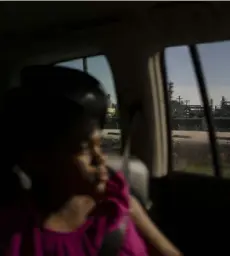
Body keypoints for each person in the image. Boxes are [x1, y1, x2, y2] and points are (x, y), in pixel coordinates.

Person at [0, 65, 182, 256]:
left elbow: (167, 251)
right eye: (84, 148)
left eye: (100, 144)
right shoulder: (14, 236)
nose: (100, 158)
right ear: (38, 159)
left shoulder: (117, 201)